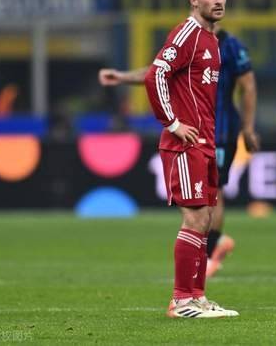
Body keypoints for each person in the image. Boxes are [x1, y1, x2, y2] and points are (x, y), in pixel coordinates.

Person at [99, 24, 259, 278]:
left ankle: (208, 254)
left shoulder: (231, 46)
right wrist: (122, 77)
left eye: (220, 2)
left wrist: (248, 128)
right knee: (194, 198)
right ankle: (211, 245)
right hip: (191, 131)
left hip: (220, 132)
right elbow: (158, 72)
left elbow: (248, 85)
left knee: (212, 192)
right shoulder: (189, 40)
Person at [144, 0, 237, 318]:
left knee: (206, 219)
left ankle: (197, 298)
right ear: (194, 0)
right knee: (195, 219)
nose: (218, 1)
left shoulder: (211, 40)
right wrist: (172, 122)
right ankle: (182, 300)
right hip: (185, 145)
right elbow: (155, 75)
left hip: (206, 142)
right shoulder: (187, 34)